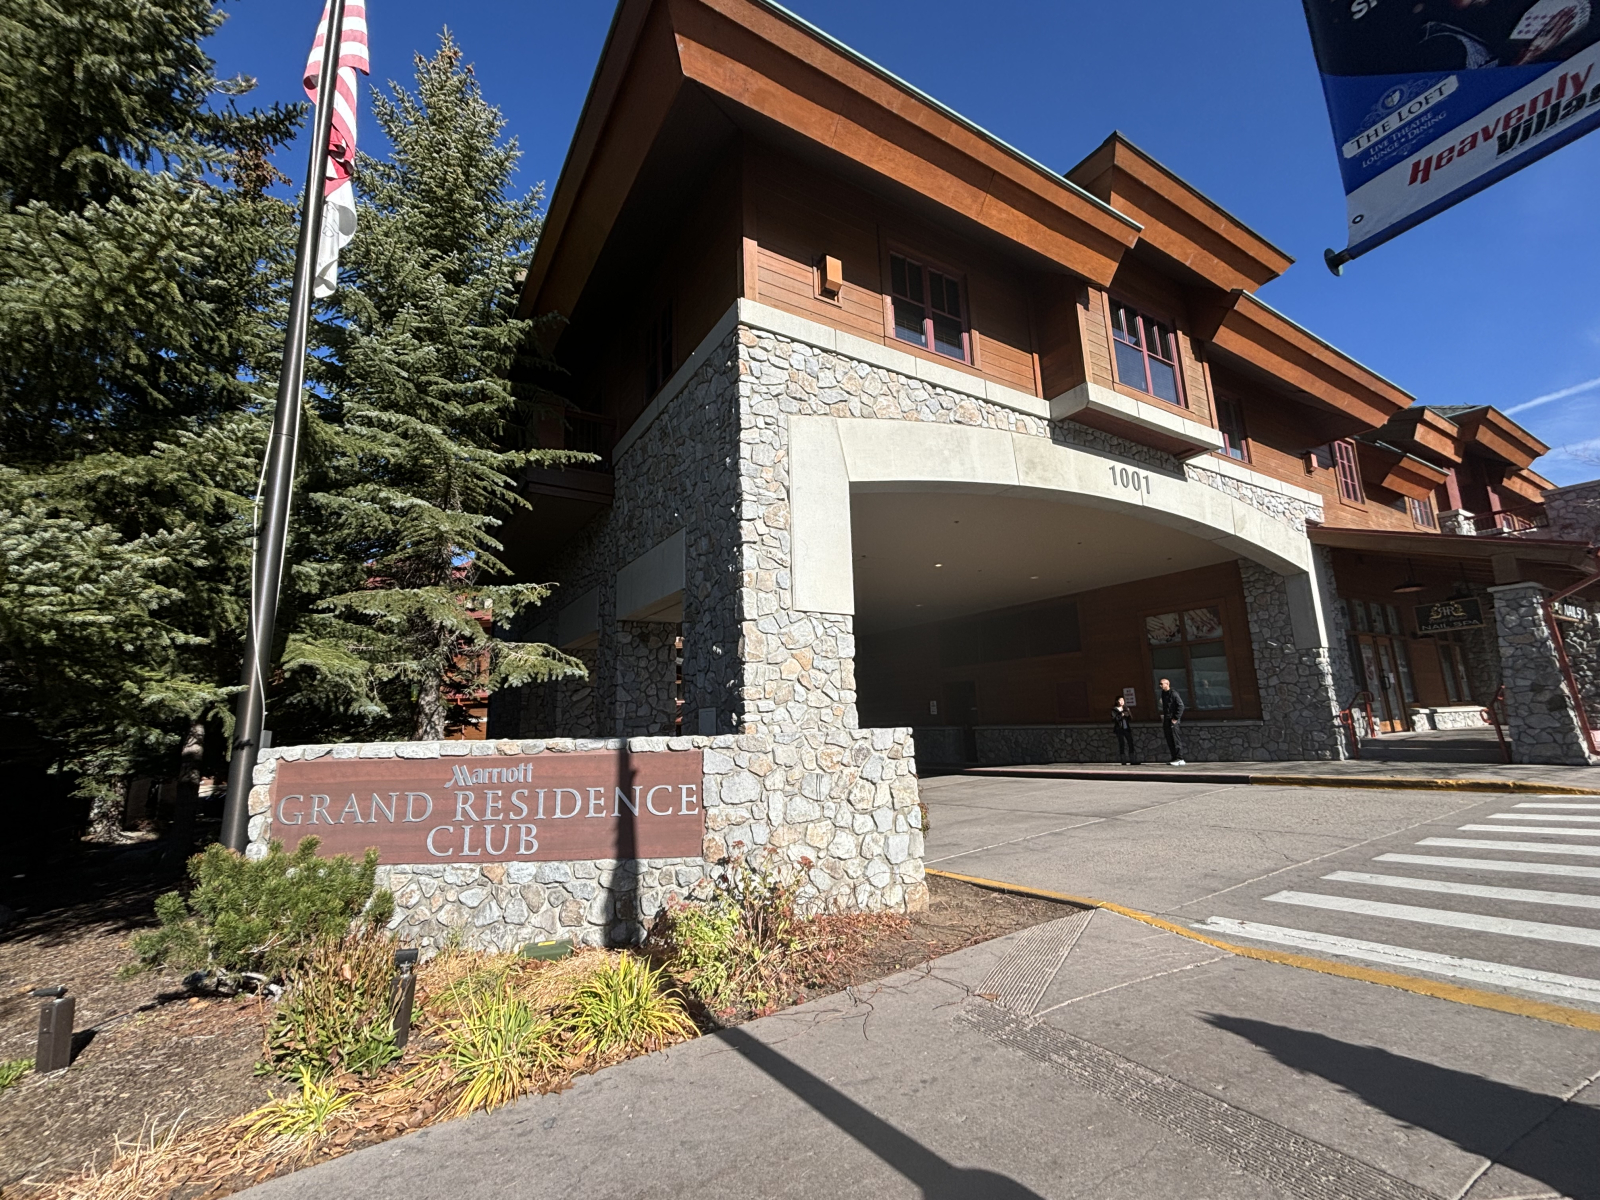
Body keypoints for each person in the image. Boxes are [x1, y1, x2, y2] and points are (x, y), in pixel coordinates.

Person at [1159, 677, 1186, 766]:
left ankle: (1180, 758)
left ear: (1167, 684)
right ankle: (1174, 757)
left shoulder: (1173, 694)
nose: (1160, 686)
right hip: (1166, 718)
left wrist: (1175, 718)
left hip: (1173, 719)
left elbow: (1181, 706)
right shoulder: (1163, 694)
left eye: (1162, 684)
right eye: (1160, 684)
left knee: (1175, 738)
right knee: (1169, 738)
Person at [1111, 695, 1139, 765]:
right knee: (1122, 743)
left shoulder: (1126, 708)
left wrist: (1127, 713)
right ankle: (1123, 760)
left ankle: (1132, 759)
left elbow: (1130, 718)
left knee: (1130, 742)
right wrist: (1120, 716)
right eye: (1120, 700)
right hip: (1119, 729)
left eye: (1123, 700)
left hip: (1126, 728)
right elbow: (1114, 719)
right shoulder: (1114, 710)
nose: (1122, 702)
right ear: (1117, 701)